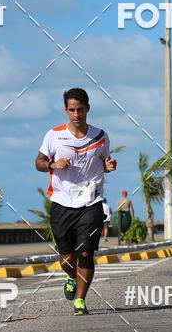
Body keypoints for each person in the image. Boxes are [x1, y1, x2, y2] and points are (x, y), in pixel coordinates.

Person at [35, 88, 117, 315]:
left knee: (85, 254)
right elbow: (39, 162)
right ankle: (71, 276)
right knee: (67, 258)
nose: (76, 114)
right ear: (66, 110)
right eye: (71, 110)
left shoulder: (100, 136)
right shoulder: (54, 135)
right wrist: (53, 165)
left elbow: (105, 162)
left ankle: (80, 300)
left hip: (91, 203)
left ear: (87, 109)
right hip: (62, 202)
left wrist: (109, 166)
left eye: (80, 109)